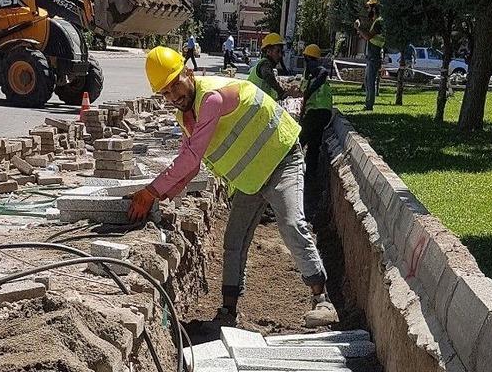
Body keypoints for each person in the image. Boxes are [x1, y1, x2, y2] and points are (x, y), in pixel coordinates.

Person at [128, 46, 339, 328]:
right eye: (165, 92)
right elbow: (189, 167)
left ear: (188, 71)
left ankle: (322, 300)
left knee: (291, 223)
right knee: (234, 240)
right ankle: (228, 313)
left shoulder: (211, 98)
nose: (173, 96)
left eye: (176, 84)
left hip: (281, 159)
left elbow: (191, 156)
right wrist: (159, 198)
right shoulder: (186, 115)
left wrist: (151, 191)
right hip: (251, 179)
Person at [299, 44, 333, 182]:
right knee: (314, 144)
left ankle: (296, 173)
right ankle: (310, 176)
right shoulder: (309, 73)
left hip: (316, 112)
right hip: (324, 114)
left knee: (300, 142)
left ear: (307, 58)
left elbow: (323, 72)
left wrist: (308, 92)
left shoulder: (315, 69)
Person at [355, 0, 384, 110]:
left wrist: (358, 27)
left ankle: (369, 106)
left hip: (374, 56)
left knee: (370, 82)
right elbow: (369, 36)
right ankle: (368, 103)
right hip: (372, 56)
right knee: (368, 81)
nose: (368, 11)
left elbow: (368, 36)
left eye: (369, 8)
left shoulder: (379, 22)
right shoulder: (376, 22)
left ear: (374, 9)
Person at [248, 32, 290, 101]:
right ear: (268, 51)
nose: (280, 55)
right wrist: (281, 92)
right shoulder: (265, 63)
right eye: (277, 51)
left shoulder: (265, 63)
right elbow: (268, 76)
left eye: (281, 52)